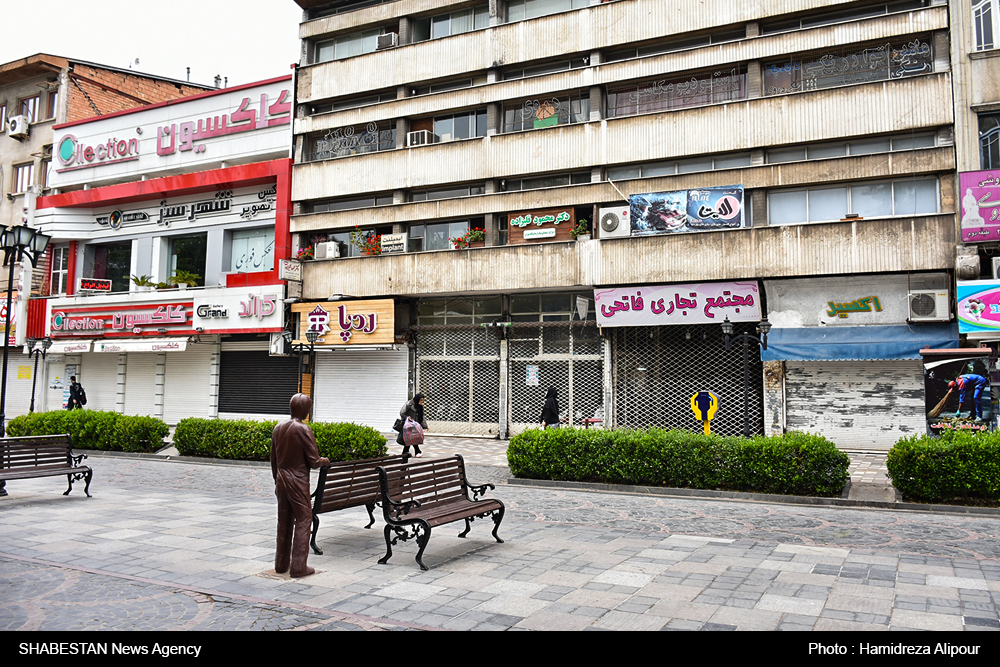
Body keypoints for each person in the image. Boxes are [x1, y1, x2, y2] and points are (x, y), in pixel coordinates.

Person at [271, 393, 330, 578]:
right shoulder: (303, 429)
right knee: (305, 519)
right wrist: (325, 460)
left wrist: (277, 480)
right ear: (304, 410)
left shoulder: (278, 428)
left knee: (284, 521)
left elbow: (273, 460)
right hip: (297, 480)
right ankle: (298, 566)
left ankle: (281, 564)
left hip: (281, 478)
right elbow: (313, 461)